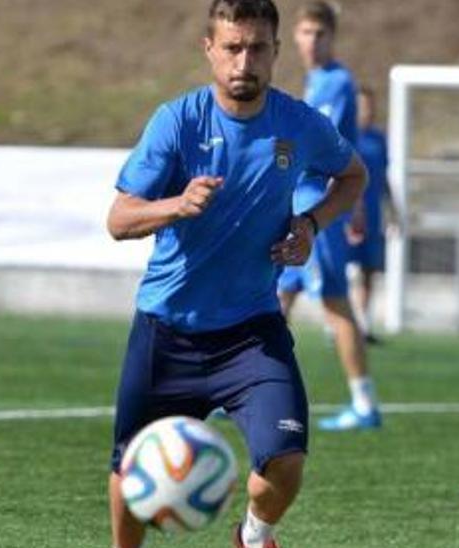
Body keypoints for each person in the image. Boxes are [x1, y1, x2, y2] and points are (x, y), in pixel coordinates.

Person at [104, 1, 367, 546]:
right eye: (232, 47)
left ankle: (252, 536)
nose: (243, 61)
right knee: (130, 469)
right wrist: (175, 205)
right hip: (167, 331)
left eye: (256, 48)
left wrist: (312, 225)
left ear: (275, 51)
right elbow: (119, 218)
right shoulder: (177, 121)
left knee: (287, 458)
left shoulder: (297, 124)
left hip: (251, 332)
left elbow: (352, 175)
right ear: (210, 50)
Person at [277, 0, 382, 430]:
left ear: (332, 38)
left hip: (319, 210)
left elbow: (322, 147)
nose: (312, 41)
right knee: (276, 300)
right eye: (305, 33)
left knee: (336, 306)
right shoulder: (314, 80)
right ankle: (248, 388)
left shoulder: (338, 82)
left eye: (320, 34)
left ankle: (364, 403)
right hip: (301, 205)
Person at [347, 86, 397, 344]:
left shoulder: (379, 139)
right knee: (341, 269)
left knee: (368, 271)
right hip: (346, 212)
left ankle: (362, 326)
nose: (367, 111)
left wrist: (394, 212)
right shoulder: (345, 137)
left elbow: (385, 178)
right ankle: (338, 328)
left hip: (374, 215)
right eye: (362, 106)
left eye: (370, 106)